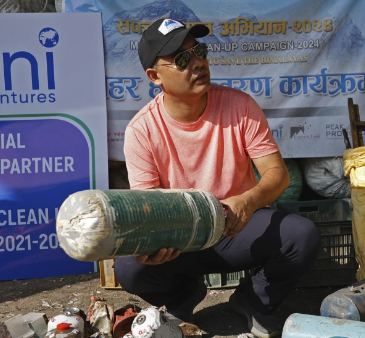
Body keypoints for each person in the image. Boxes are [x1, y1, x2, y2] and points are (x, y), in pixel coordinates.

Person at [114, 18, 320, 338]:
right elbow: (149, 205)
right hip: (180, 240)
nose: (197, 63)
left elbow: (276, 175)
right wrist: (152, 243)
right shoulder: (141, 131)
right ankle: (182, 296)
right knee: (129, 268)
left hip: (236, 228)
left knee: (301, 235)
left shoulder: (239, 105)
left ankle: (254, 301)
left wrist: (248, 201)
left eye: (199, 51)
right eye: (182, 59)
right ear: (155, 76)